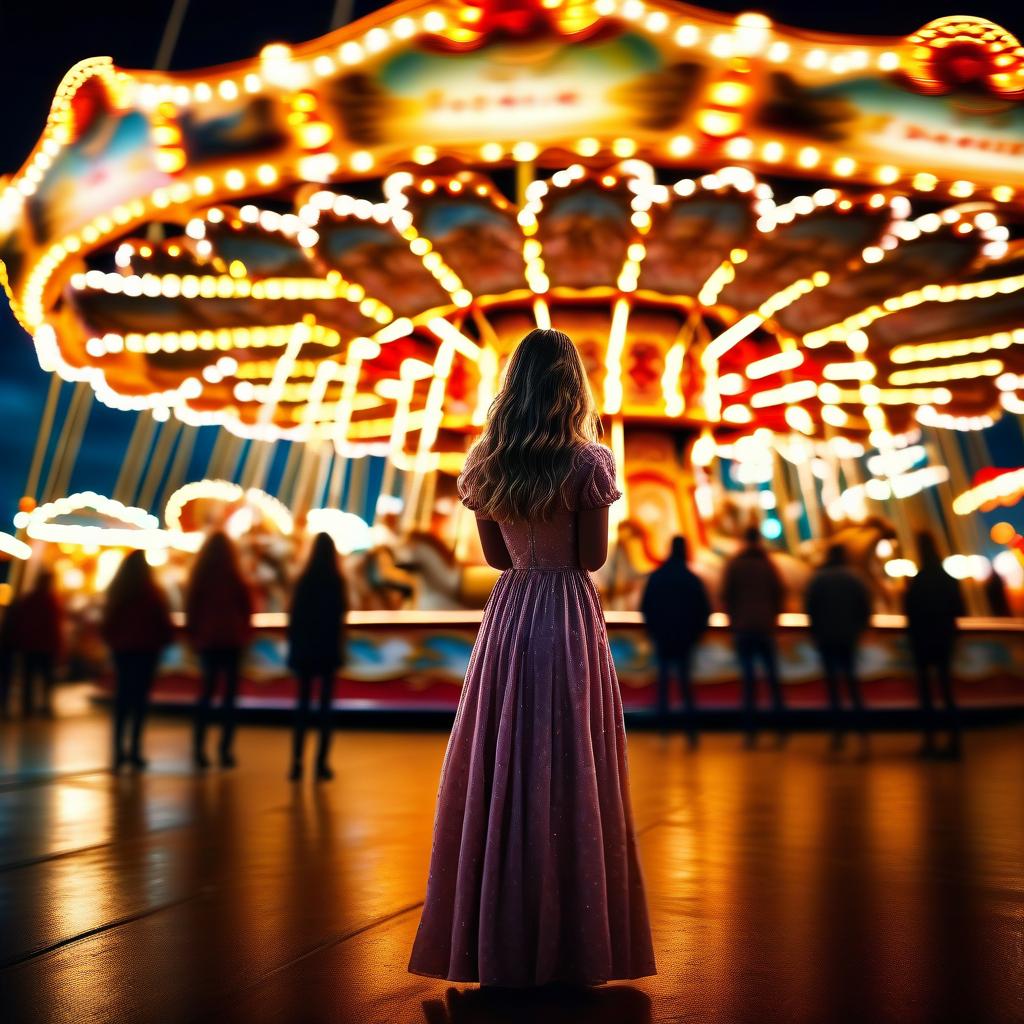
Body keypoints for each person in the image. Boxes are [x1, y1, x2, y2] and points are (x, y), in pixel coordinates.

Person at [408, 328, 656, 987]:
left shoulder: (485, 462)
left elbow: (493, 558)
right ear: (571, 385)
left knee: (503, 755)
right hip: (569, 611)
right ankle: (573, 935)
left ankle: (497, 929)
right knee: (571, 755)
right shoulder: (590, 461)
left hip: (512, 612)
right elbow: (593, 556)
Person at [185, 532, 253, 769]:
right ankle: (225, 750)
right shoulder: (235, 577)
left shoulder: (200, 577)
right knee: (229, 698)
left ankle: (199, 747)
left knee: (206, 693)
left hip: (208, 641)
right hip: (232, 641)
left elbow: (191, 608)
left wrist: (195, 635)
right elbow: (247, 608)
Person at [102, 550, 174, 770]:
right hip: (146, 651)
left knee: (122, 699)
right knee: (140, 701)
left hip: (123, 651)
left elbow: (108, 621)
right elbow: (163, 621)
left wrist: (113, 641)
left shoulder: (117, 592)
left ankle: (117, 751)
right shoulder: (153, 593)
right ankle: (134, 750)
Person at [287, 532, 348, 781]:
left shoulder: (303, 581)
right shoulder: (336, 582)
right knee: (324, 709)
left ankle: (297, 763)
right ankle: (321, 764)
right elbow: (339, 619)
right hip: (327, 651)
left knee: (302, 707)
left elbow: (294, 618)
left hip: (305, 652)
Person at [640, 535, 711, 745]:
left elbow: (646, 606)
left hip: (663, 637)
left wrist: (654, 631)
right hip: (685, 638)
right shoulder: (691, 579)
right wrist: (696, 634)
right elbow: (703, 609)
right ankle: (691, 730)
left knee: (663, 683)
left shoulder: (657, 576)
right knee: (685, 684)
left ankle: (663, 729)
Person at [805, 544, 872, 749]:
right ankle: (861, 730)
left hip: (826, 637)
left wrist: (816, 632)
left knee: (833, 688)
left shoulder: (819, 579)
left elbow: (810, 607)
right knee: (852, 684)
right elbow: (865, 605)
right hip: (848, 637)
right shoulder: (854, 578)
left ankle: (837, 733)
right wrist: (859, 629)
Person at [722, 525, 785, 744]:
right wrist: (773, 617)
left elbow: (727, 595)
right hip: (766, 628)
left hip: (744, 629)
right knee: (772, 679)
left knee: (748, 681)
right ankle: (780, 728)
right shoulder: (768, 565)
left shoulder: (735, 565)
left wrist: (733, 621)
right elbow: (779, 592)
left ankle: (750, 731)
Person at [905, 531, 965, 757]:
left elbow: (909, 611)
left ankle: (930, 740)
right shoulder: (947, 579)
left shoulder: (917, 582)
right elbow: (960, 609)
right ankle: (954, 739)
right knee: (947, 691)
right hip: (943, 638)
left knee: (926, 693)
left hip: (922, 641)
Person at [13, 569, 63, 717]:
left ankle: (28, 708)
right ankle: (44, 706)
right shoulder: (50, 600)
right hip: (44, 645)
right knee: (45, 678)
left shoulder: (30, 599)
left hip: (31, 644)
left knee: (30, 678)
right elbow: (54, 626)